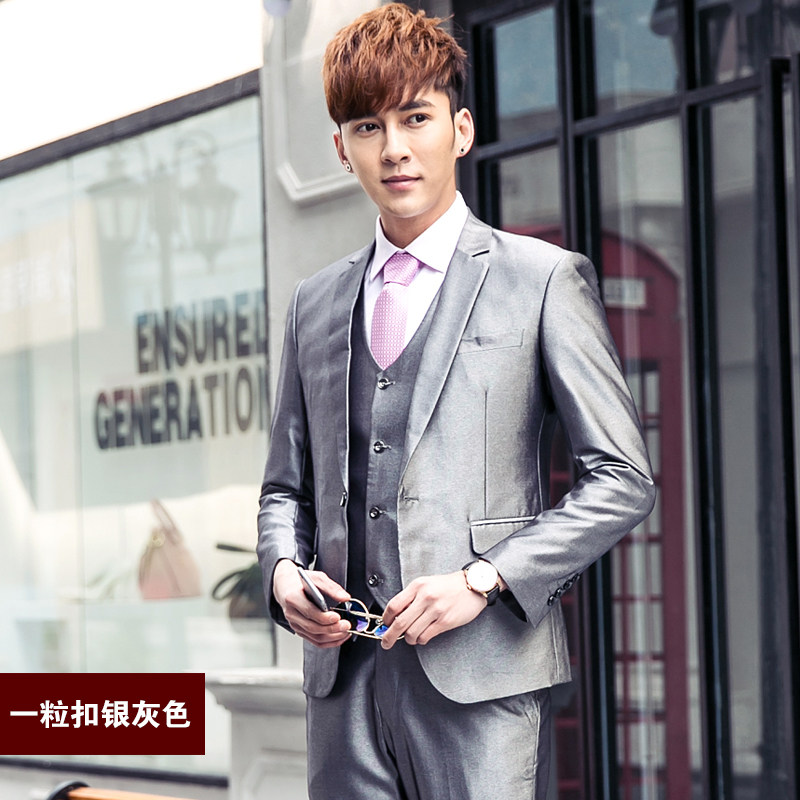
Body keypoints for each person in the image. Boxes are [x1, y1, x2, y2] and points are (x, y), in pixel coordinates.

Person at [256, 4, 655, 799]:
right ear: (341, 148)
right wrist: (281, 573)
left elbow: (622, 478)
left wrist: (483, 580)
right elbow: (284, 490)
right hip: (342, 693)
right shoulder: (314, 302)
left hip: (484, 684)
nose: (394, 149)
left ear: (460, 129)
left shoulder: (540, 280)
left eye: (416, 118)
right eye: (367, 127)